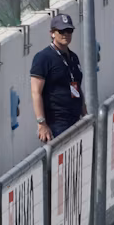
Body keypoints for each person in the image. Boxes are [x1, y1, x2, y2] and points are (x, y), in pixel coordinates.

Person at [30, 14, 87, 142]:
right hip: (57, 123)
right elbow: (36, 92)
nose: (65, 34)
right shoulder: (43, 58)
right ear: (52, 33)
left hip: (75, 120)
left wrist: (84, 114)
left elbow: (76, 87)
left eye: (69, 30)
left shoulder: (73, 57)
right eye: (61, 31)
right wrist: (41, 123)